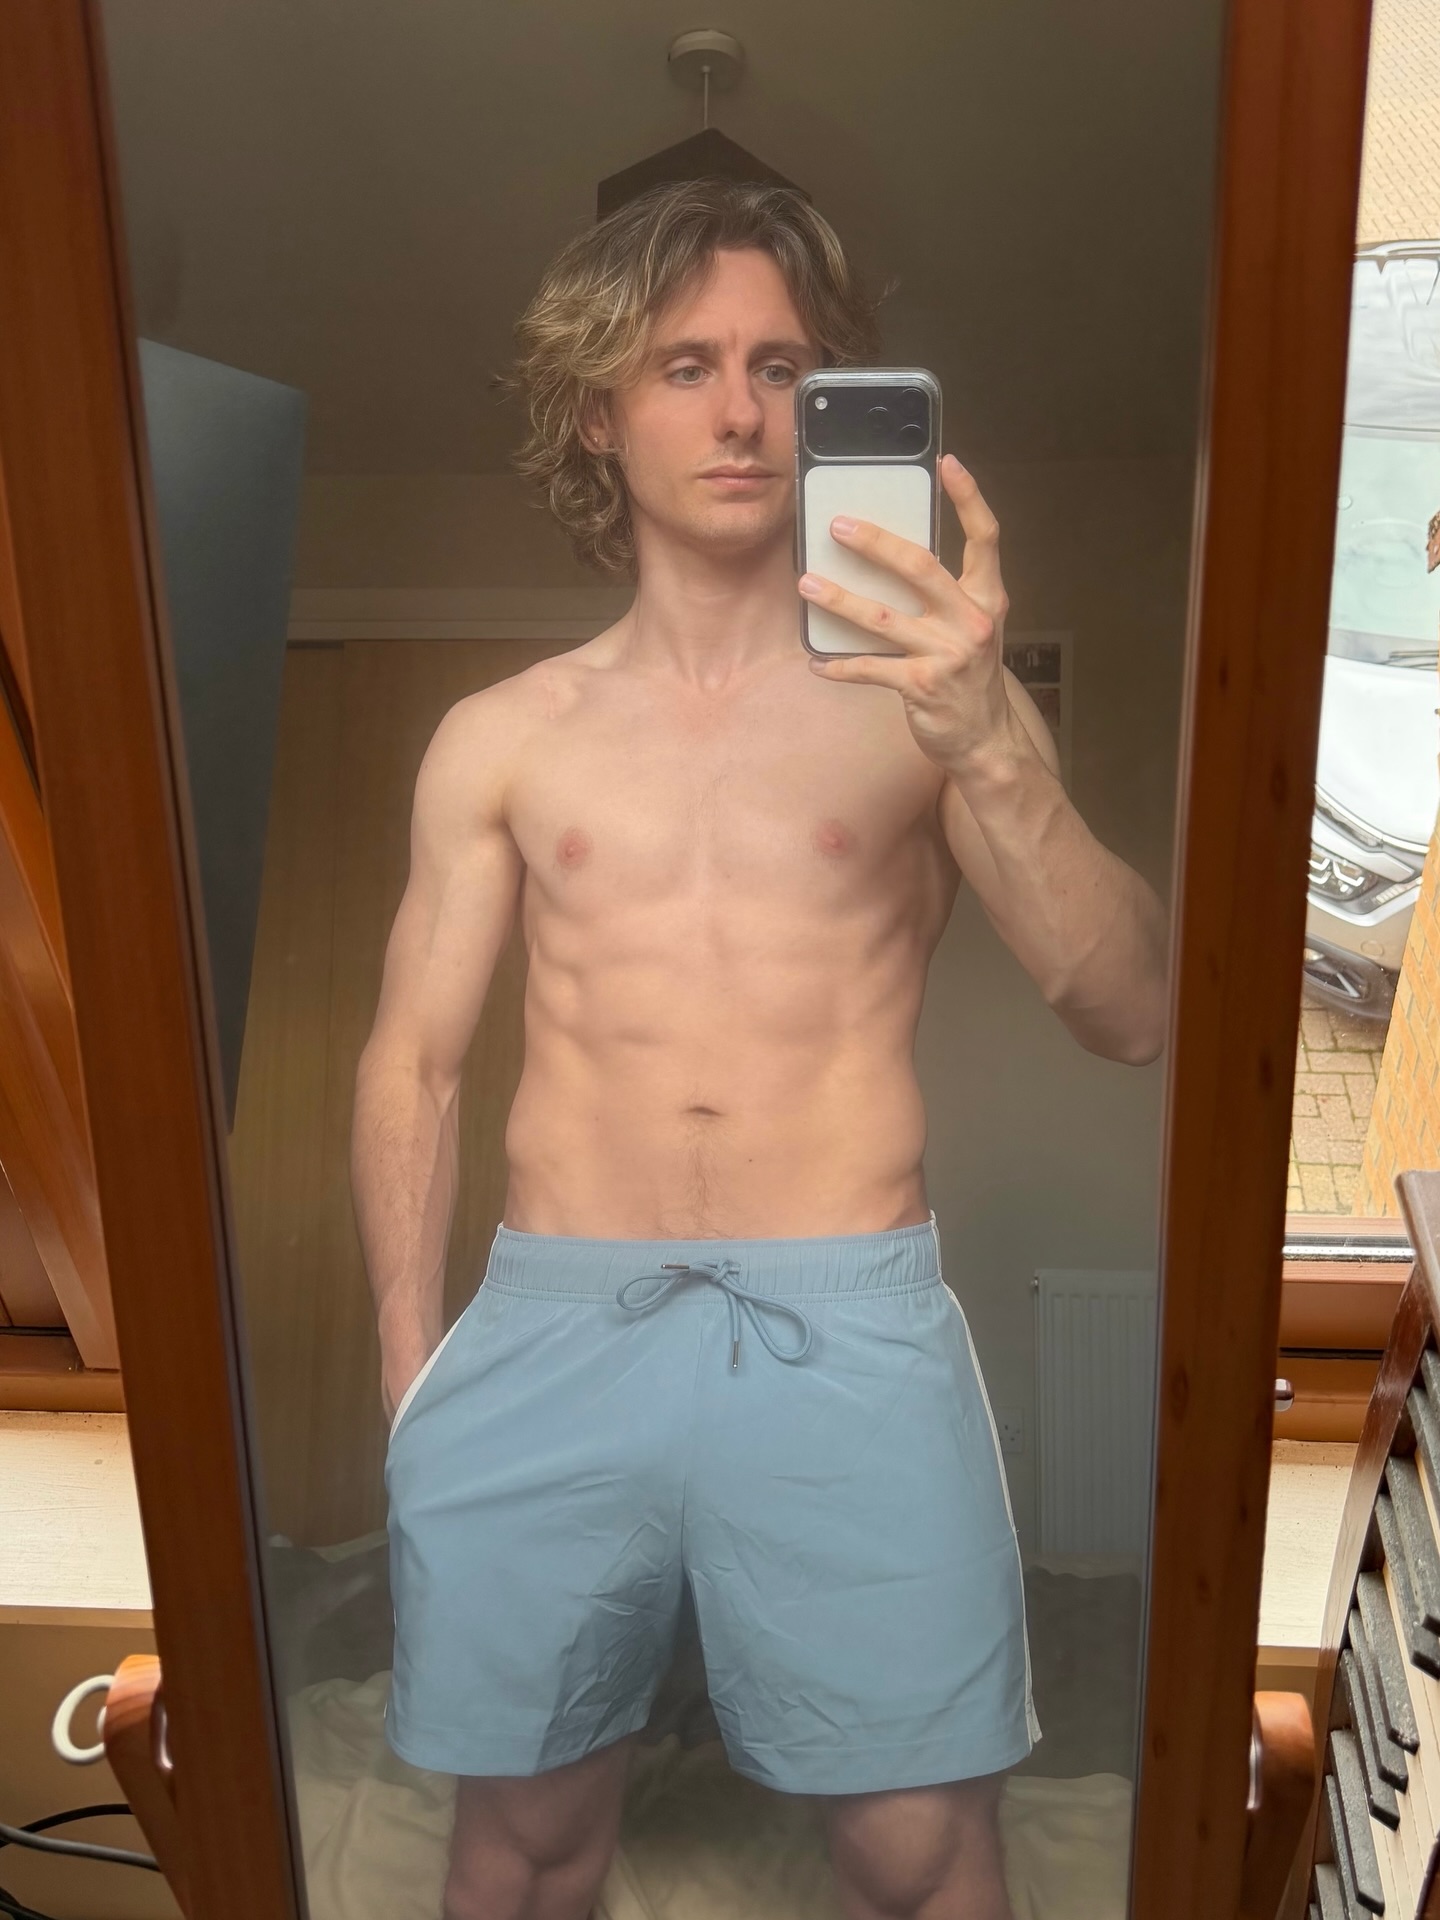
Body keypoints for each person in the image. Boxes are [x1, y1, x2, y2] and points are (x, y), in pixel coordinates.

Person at [352, 178, 1167, 1920]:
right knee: (524, 1847)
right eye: (685, 366)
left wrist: (991, 741)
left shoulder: (932, 705)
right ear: (599, 410)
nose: (740, 412)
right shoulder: (502, 738)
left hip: (846, 1327)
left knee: (922, 1853)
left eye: (781, 367)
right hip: (553, 1328)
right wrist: (416, 1381)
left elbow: (1133, 1009)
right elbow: (413, 1064)